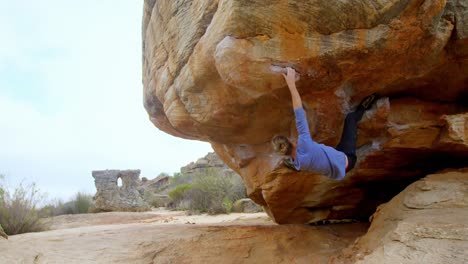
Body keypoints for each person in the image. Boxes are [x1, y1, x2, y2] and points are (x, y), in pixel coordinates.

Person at [273, 67, 376, 180]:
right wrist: (291, 84)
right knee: (350, 119)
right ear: (292, 142)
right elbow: (299, 112)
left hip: (337, 159)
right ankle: (364, 107)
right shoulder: (304, 144)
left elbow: (293, 155)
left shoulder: (298, 164)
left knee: (335, 148)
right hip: (347, 159)